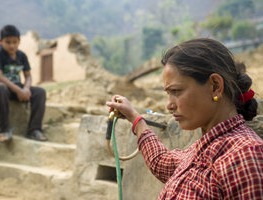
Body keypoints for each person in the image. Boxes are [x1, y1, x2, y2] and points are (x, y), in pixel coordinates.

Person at [106, 38, 263, 199]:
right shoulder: (200, 152)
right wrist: (135, 118)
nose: (169, 105)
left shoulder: (245, 157)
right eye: (168, 93)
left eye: (176, 91)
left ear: (215, 86)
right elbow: (160, 161)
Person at [0, 25, 47, 142]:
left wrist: (26, 89)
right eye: (7, 42)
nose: (12, 45)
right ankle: (4, 130)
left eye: (14, 42)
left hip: (16, 87)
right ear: (0, 41)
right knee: (0, 88)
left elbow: (28, 76)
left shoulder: (21, 56)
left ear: (19, 41)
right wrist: (19, 90)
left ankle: (34, 129)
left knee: (40, 92)